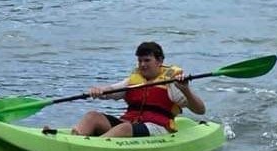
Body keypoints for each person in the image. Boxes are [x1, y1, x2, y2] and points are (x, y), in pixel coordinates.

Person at [71, 41, 205, 137]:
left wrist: (186, 90)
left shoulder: (172, 82)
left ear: (159, 61)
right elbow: (111, 90)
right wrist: (99, 91)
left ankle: (92, 146)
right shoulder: (134, 80)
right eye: (140, 61)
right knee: (92, 116)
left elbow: (200, 110)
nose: (142, 65)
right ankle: (74, 139)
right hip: (130, 123)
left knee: (124, 128)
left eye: (147, 60)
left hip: (158, 127)